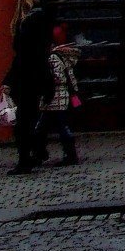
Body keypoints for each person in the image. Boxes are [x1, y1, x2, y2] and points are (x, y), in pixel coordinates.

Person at [2, 0, 52, 174]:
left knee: (22, 124)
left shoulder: (26, 28)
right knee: (33, 120)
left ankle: (25, 161)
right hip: (37, 80)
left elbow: (21, 59)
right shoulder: (42, 25)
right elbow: (41, 58)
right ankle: (37, 152)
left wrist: (8, 81)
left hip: (25, 82)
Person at [37, 24, 82, 167]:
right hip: (62, 97)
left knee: (46, 128)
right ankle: (68, 154)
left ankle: (43, 154)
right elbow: (70, 78)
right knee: (58, 127)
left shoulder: (53, 58)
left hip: (54, 98)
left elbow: (58, 78)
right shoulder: (64, 56)